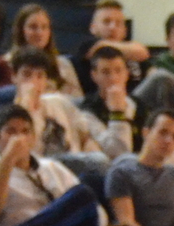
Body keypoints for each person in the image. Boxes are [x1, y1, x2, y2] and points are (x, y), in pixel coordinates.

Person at [0, 106, 103, 226]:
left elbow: (92, 210)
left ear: (33, 138)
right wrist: (9, 158)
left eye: (25, 132)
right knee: (83, 195)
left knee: (84, 195)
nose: (19, 139)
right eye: (11, 132)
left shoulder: (52, 167)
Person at [7, 46, 107, 177]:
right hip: (42, 168)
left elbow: (85, 135)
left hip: (75, 164)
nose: (33, 82)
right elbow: (23, 152)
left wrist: (93, 153)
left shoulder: (58, 101)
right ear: (14, 77)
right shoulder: (11, 116)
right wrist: (26, 107)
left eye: (40, 76)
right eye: (27, 75)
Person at [104, 109, 174, 226]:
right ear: (146, 133)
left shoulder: (173, 174)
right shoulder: (121, 173)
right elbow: (126, 222)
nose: (168, 141)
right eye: (163, 133)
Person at [72, 0, 152, 96]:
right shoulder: (89, 46)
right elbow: (142, 52)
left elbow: (150, 69)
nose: (112, 27)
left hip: (139, 100)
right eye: (106, 22)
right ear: (93, 28)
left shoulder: (133, 51)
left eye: (118, 23)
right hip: (101, 99)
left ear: (125, 30)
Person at [77, 44, 142, 161]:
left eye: (118, 71)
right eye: (106, 72)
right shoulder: (87, 111)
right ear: (94, 76)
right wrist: (117, 112)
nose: (113, 78)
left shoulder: (137, 104)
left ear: (127, 73)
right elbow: (118, 153)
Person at [9, 2, 77, 98]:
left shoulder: (63, 64)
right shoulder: (8, 62)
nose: (39, 33)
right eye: (33, 27)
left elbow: (76, 100)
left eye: (44, 27)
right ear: (21, 30)